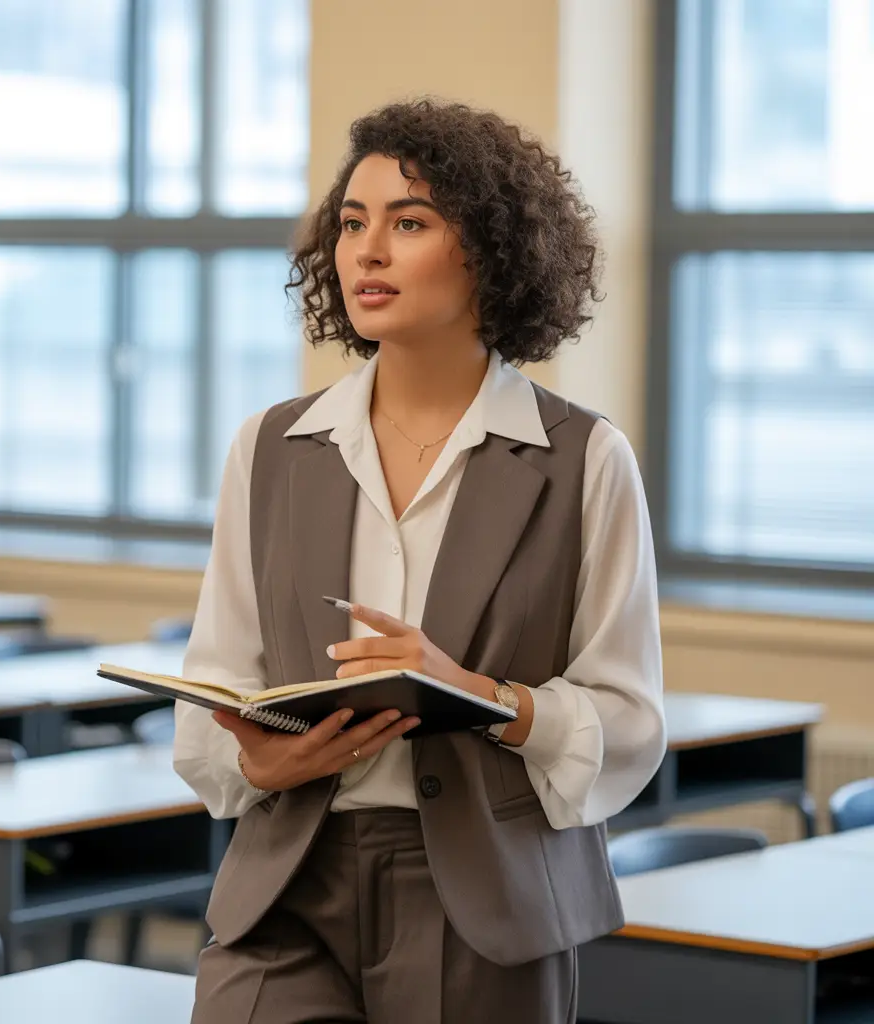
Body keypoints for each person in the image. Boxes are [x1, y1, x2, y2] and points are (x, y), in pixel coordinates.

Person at [174, 98, 665, 1024]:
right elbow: (216, 687)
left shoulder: (587, 460)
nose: (366, 251)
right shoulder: (270, 447)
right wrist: (258, 765)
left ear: (490, 251)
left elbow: (629, 721)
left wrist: (480, 695)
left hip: (484, 897)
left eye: (410, 223)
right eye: (352, 224)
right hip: (286, 883)